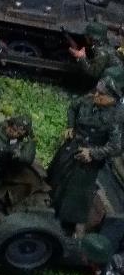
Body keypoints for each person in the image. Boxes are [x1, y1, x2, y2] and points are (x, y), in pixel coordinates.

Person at [48, 77, 123, 233]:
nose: (96, 95)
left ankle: (67, 225)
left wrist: (93, 153)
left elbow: (116, 147)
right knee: (57, 176)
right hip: (72, 146)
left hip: (89, 157)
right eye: (96, 91)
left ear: (112, 98)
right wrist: (70, 126)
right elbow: (72, 107)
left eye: (101, 94)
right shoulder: (89, 99)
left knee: (76, 193)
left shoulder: (116, 116)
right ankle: (48, 206)